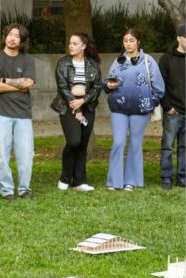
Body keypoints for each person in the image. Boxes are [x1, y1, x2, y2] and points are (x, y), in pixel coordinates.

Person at [103, 28, 165, 191]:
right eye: (125, 40)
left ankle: (131, 181)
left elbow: (159, 87)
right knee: (118, 142)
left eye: (131, 40)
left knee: (135, 144)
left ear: (138, 42)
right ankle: (114, 181)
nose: (128, 43)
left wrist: (149, 102)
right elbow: (107, 82)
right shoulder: (118, 61)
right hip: (118, 108)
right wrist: (108, 85)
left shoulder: (148, 61)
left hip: (140, 110)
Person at [0, 23, 36, 200]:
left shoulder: (28, 60)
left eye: (17, 35)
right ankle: (6, 190)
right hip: (1, 113)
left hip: (23, 114)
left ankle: (24, 189)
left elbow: (29, 83)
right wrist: (18, 85)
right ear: (5, 36)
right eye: (10, 34)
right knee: (2, 155)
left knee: (26, 155)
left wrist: (6, 81)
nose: (12, 38)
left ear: (22, 40)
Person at [51, 33, 102, 192]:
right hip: (68, 105)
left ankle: (79, 181)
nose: (70, 46)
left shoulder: (93, 65)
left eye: (74, 43)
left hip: (88, 106)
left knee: (82, 145)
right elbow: (62, 87)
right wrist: (76, 105)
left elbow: (97, 88)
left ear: (83, 46)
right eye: (70, 43)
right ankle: (65, 177)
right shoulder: (63, 63)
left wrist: (83, 100)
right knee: (73, 141)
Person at [159, 24, 185, 189]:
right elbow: (160, 86)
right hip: (173, 111)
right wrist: (167, 107)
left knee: (185, 147)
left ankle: (183, 178)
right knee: (167, 146)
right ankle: (166, 178)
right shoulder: (166, 59)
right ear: (179, 38)